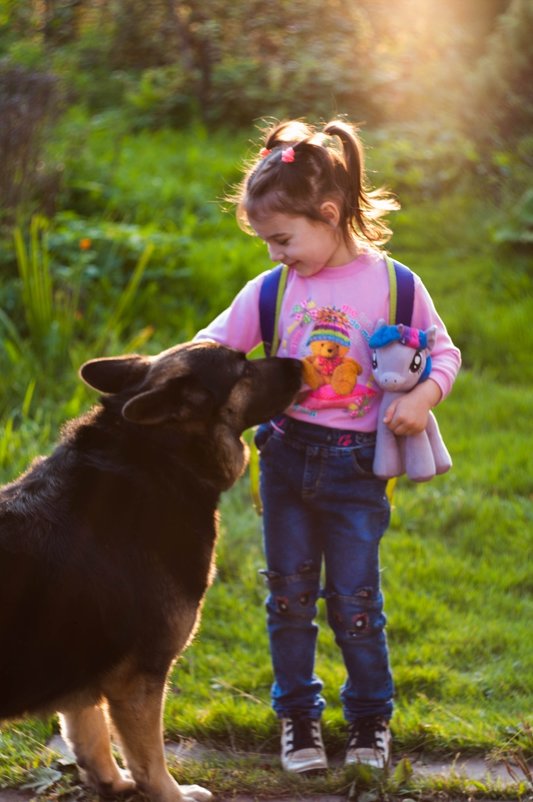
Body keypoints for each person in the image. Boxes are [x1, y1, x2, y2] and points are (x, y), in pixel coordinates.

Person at [195, 119, 461, 774]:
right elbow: (215, 345)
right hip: (285, 458)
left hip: (357, 468)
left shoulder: (396, 285)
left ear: (329, 213)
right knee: (287, 597)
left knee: (353, 602)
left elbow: (443, 354)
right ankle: (298, 720)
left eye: (281, 239)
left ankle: (369, 721)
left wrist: (419, 397)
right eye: (265, 242)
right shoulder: (272, 290)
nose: (273, 254)